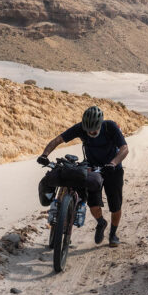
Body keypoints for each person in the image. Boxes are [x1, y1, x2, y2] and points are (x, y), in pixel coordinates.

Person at [38, 106, 129, 247]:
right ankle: (101, 222)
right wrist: (44, 155)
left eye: (94, 129)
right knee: (93, 204)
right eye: (88, 130)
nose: (91, 132)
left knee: (115, 205)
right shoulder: (81, 128)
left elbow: (124, 148)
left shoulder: (109, 127)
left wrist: (113, 163)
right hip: (92, 169)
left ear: (100, 124)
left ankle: (113, 234)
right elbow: (58, 140)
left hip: (112, 169)